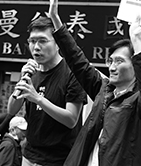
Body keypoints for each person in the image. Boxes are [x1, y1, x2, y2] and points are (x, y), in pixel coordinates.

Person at [48, 0, 141, 166]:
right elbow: (78, 61)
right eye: (111, 61)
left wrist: (136, 39)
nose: (112, 67)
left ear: (135, 65)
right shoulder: (104, 89)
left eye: (119, 61)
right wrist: (55, 20)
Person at [7, 13, 87, 165]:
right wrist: (22, 79)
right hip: (30, 155)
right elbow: (11, 110)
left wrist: (37, 98)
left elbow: (71, 119)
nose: (36, 47)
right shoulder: (31, 72)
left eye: (43, 41)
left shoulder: (72, 73)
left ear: (58, 44)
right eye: (32, 41)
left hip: (59, 159)